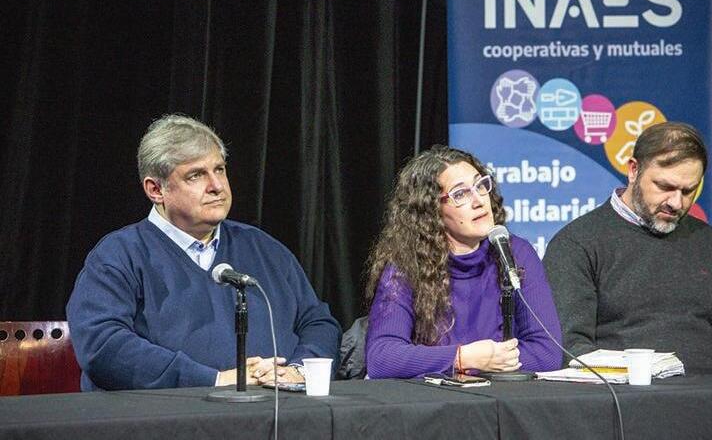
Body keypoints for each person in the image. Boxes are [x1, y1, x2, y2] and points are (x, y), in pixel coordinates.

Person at [67, 114, 341, 390]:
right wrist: (214, 380)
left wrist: (297, 371)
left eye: (219, 170)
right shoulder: (118, 255)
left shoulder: (264, 248)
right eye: (196, 175)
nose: (217, 186)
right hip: (169, 412)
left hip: (275, 407)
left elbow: (318, 323)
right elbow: (102, 344)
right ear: (155, 189)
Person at [543, 121, 712, 368]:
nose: (676, 203)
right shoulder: (577, 243)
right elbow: (571, 348)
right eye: (665, 187)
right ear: (634, 170)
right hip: (625, 390)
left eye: (688, 191)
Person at [364, 145, 562, 379]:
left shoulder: (516, 253)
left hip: (502, 397)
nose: (478, 200)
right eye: (460, 194)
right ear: (432, 211)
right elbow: (382, 358)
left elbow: (548, 352)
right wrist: (463, 358)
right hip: (434, 398)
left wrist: (490, 362)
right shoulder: (406, 265)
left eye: (480, 186)